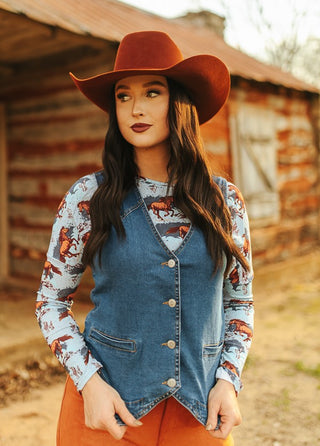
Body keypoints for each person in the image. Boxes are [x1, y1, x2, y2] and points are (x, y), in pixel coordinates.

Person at [36, 31, 254, 446]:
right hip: (105, 414)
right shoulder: (88, 198)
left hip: (199, 413)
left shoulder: (226, 202)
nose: (135, 108)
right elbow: (50, 301)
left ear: (180, 102)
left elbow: (239, 301)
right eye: (123, 96)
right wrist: (90, 384)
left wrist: (228, 380)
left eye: (152, 92)